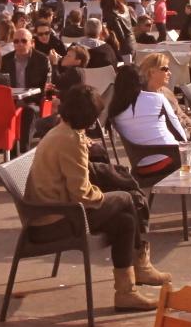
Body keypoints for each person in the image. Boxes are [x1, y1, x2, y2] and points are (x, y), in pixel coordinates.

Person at [24, 85, 166, 310]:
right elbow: (82, 194)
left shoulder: (62, 131)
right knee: (127, 199)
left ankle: (127, 290)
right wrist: (107, 195)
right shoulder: (70, 140)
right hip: (55, 220)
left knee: (125, 221)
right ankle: (138, 269)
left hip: (49, 213)